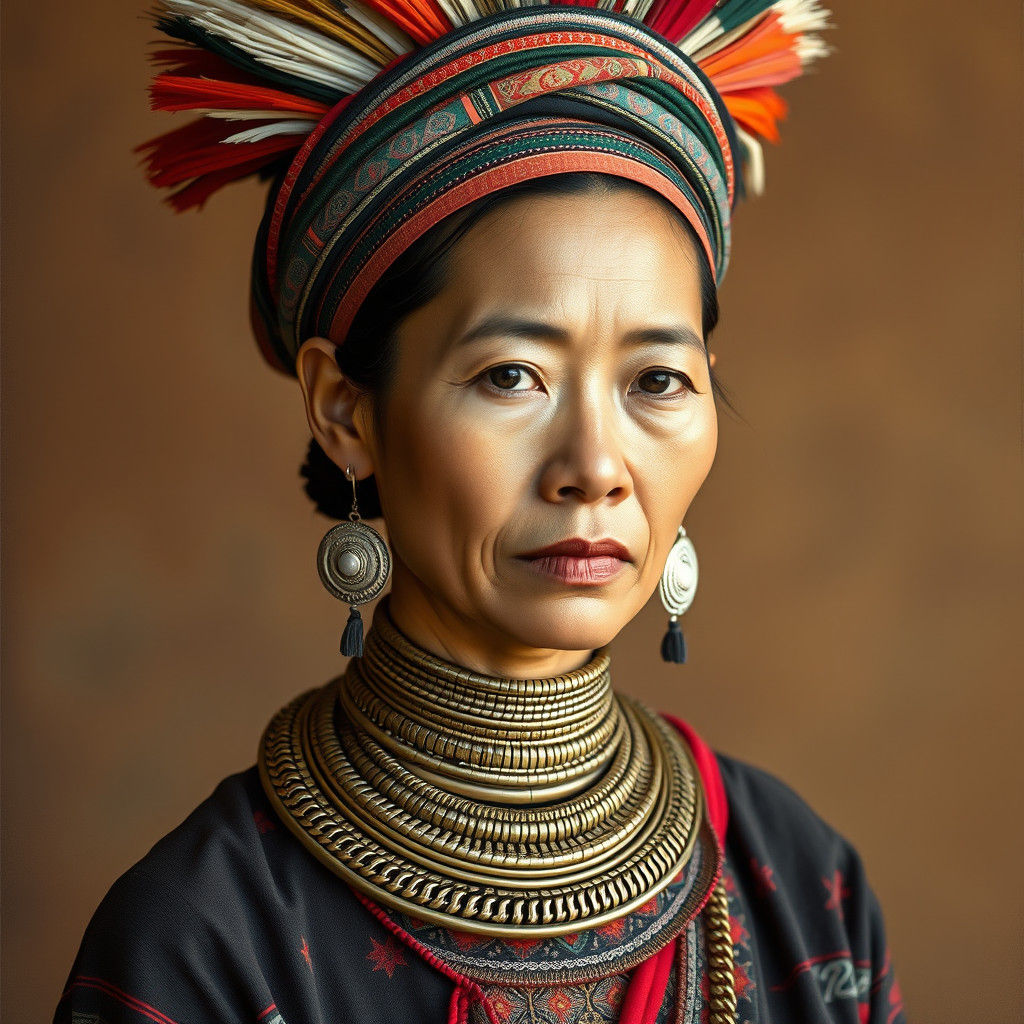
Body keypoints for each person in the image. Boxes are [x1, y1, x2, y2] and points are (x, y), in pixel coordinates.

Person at [54, 1, 906, 1022]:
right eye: (511, 375)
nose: (595, 467)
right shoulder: (203, 941)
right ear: (345, 410)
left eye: (657, 381)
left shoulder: (802, 888)